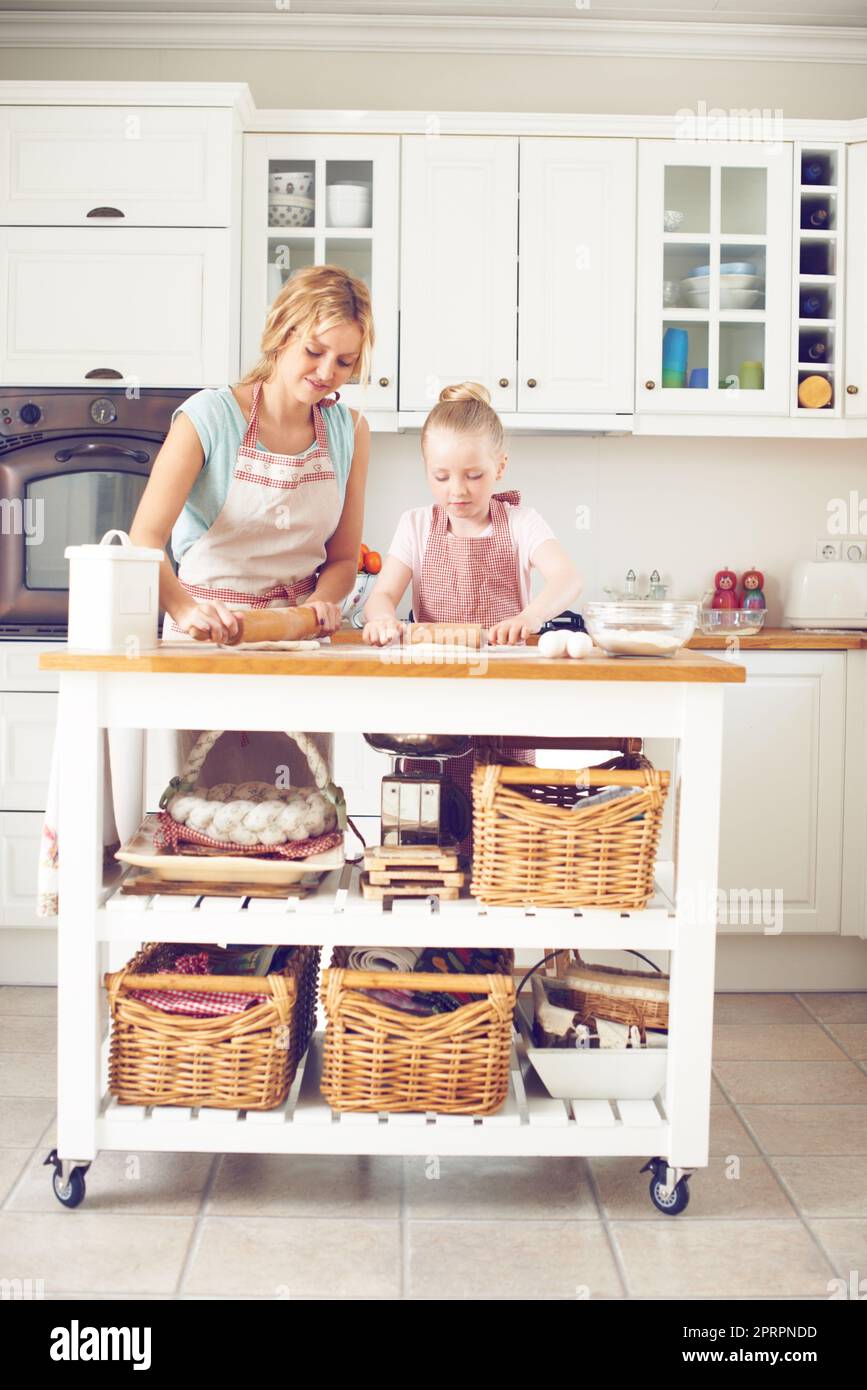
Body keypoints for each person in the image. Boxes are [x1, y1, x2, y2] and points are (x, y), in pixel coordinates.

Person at [37, 265, 372, 915]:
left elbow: (341, 559)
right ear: (281, 333)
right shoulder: (208, 418)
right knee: (201, 829)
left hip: (297, 648)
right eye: (314, 351)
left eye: (345, 361)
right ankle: (187, 966)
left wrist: (315, 610)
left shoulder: (348, 432)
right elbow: (146, 540)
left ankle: (279, 972)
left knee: (290, 830)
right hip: (205, 642)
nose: (327, 372)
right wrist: (187, 610)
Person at [362, 380, 582, 846]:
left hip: (505, 700)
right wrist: (381, 618)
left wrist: (529, 617)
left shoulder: (521, 523)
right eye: (441, 476)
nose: (457, 490)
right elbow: (382, 596)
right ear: (426, 469)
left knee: (504, 825)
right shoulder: (415, 525)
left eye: (474, 475)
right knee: (430, 825)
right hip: (432, 703)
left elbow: (567, 579)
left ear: (500, 467)